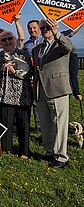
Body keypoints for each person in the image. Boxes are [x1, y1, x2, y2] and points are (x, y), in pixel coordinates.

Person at [32, 18, 73, 168]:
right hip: (40, 90)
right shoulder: (37, 49)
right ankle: (50, 151)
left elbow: (68, 46)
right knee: (45, 123)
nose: (45, 31)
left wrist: (57, 33)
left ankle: (62, 157)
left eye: (47, 28)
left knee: (59, 124)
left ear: (53, 28)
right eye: (42, 28)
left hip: (57, 89)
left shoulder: (60, 43)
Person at [0, 31, 32, 158]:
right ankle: (7, 150)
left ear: (15, 40)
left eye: (9, 39)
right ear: (0, 43)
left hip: (22, 95)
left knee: (23, 123)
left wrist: (14, 71)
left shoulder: (23, 54)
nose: (7, 42)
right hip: (5, 95)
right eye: (4, 40)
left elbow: (29, 73)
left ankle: (24, 151)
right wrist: (2, 69)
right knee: (6, 123)